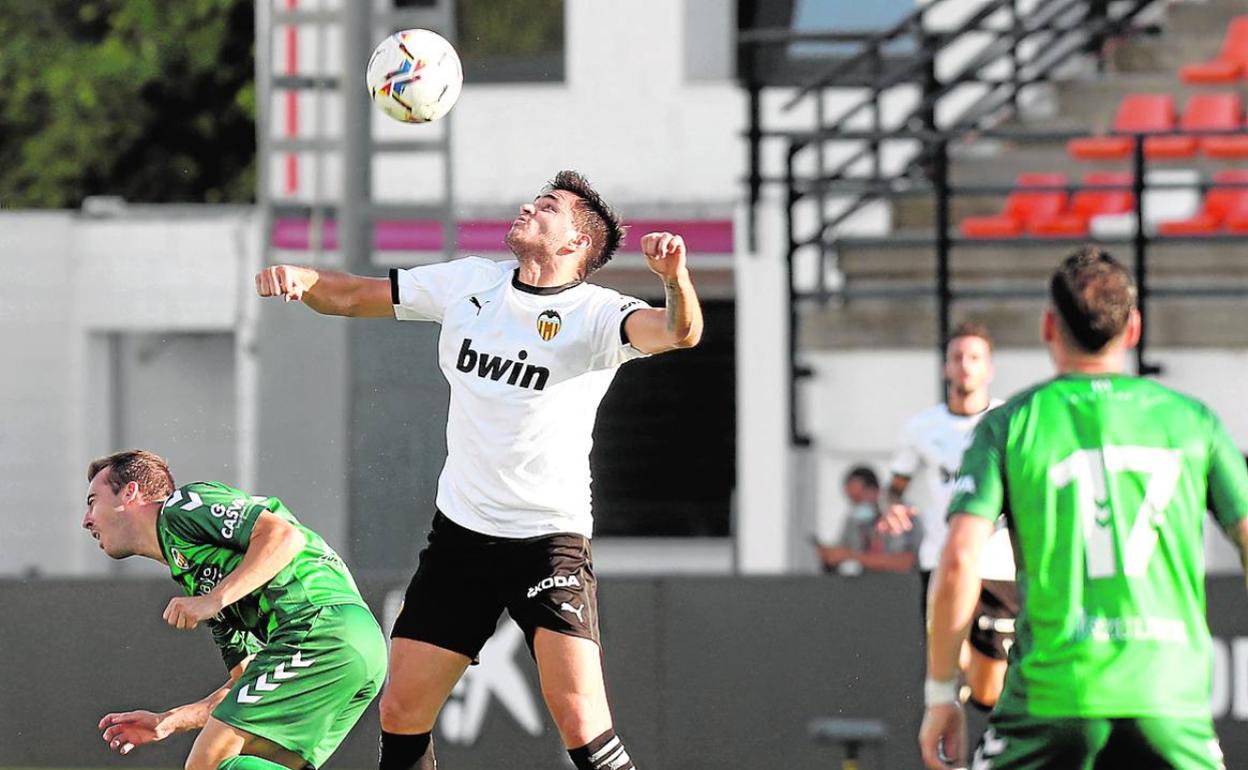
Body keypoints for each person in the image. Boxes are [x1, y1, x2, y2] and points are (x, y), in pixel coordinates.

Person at [255, 170, 703, 770]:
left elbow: (680, 331)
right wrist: (304, 279)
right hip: (461, 538)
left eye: (547, 207)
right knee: (401, 713)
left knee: (580, 721)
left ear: (574, 243)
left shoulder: (597, 314)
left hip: (549, 542)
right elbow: (353, 296)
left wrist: (674, 280)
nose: (527, 207)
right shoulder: (470, 283)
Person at [920, 247, 1248, 770]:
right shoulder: (1192, 421)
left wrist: (941, 694)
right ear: (1134, 328)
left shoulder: (1011, 423)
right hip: (1169, 699)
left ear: (1049, 327)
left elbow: (959, 558)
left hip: (1053, 702)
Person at [83, 450, 387, 770]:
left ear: (129, 493)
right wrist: (170, 721)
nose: (86, 520)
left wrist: (214, 599)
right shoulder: (194, 575)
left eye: (92, 501)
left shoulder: (183, 506)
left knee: (207, 764)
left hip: (320, 627)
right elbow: (246, 680)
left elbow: (283, 535)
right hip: (357, 647)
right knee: (247, 762)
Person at [879, 321, 1016, 709]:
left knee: (988, 692)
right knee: (947, 675)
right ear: (945, 368)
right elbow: (894, 486)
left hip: (998, 566)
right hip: (942, 562)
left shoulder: (1008, 421)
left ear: (989, 368)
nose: (966, 365)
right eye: (957, 357)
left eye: (975, 358)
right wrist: (890, 507)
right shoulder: (924, 428)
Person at [817, 465, 919, 575]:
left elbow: (904, 563)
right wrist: (831, 557)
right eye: (852, 500)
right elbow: (843, 550)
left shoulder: (900, 514)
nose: (856, 505)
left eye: (858, 498)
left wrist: (853, 556)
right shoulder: (854, 521)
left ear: (876, 491)